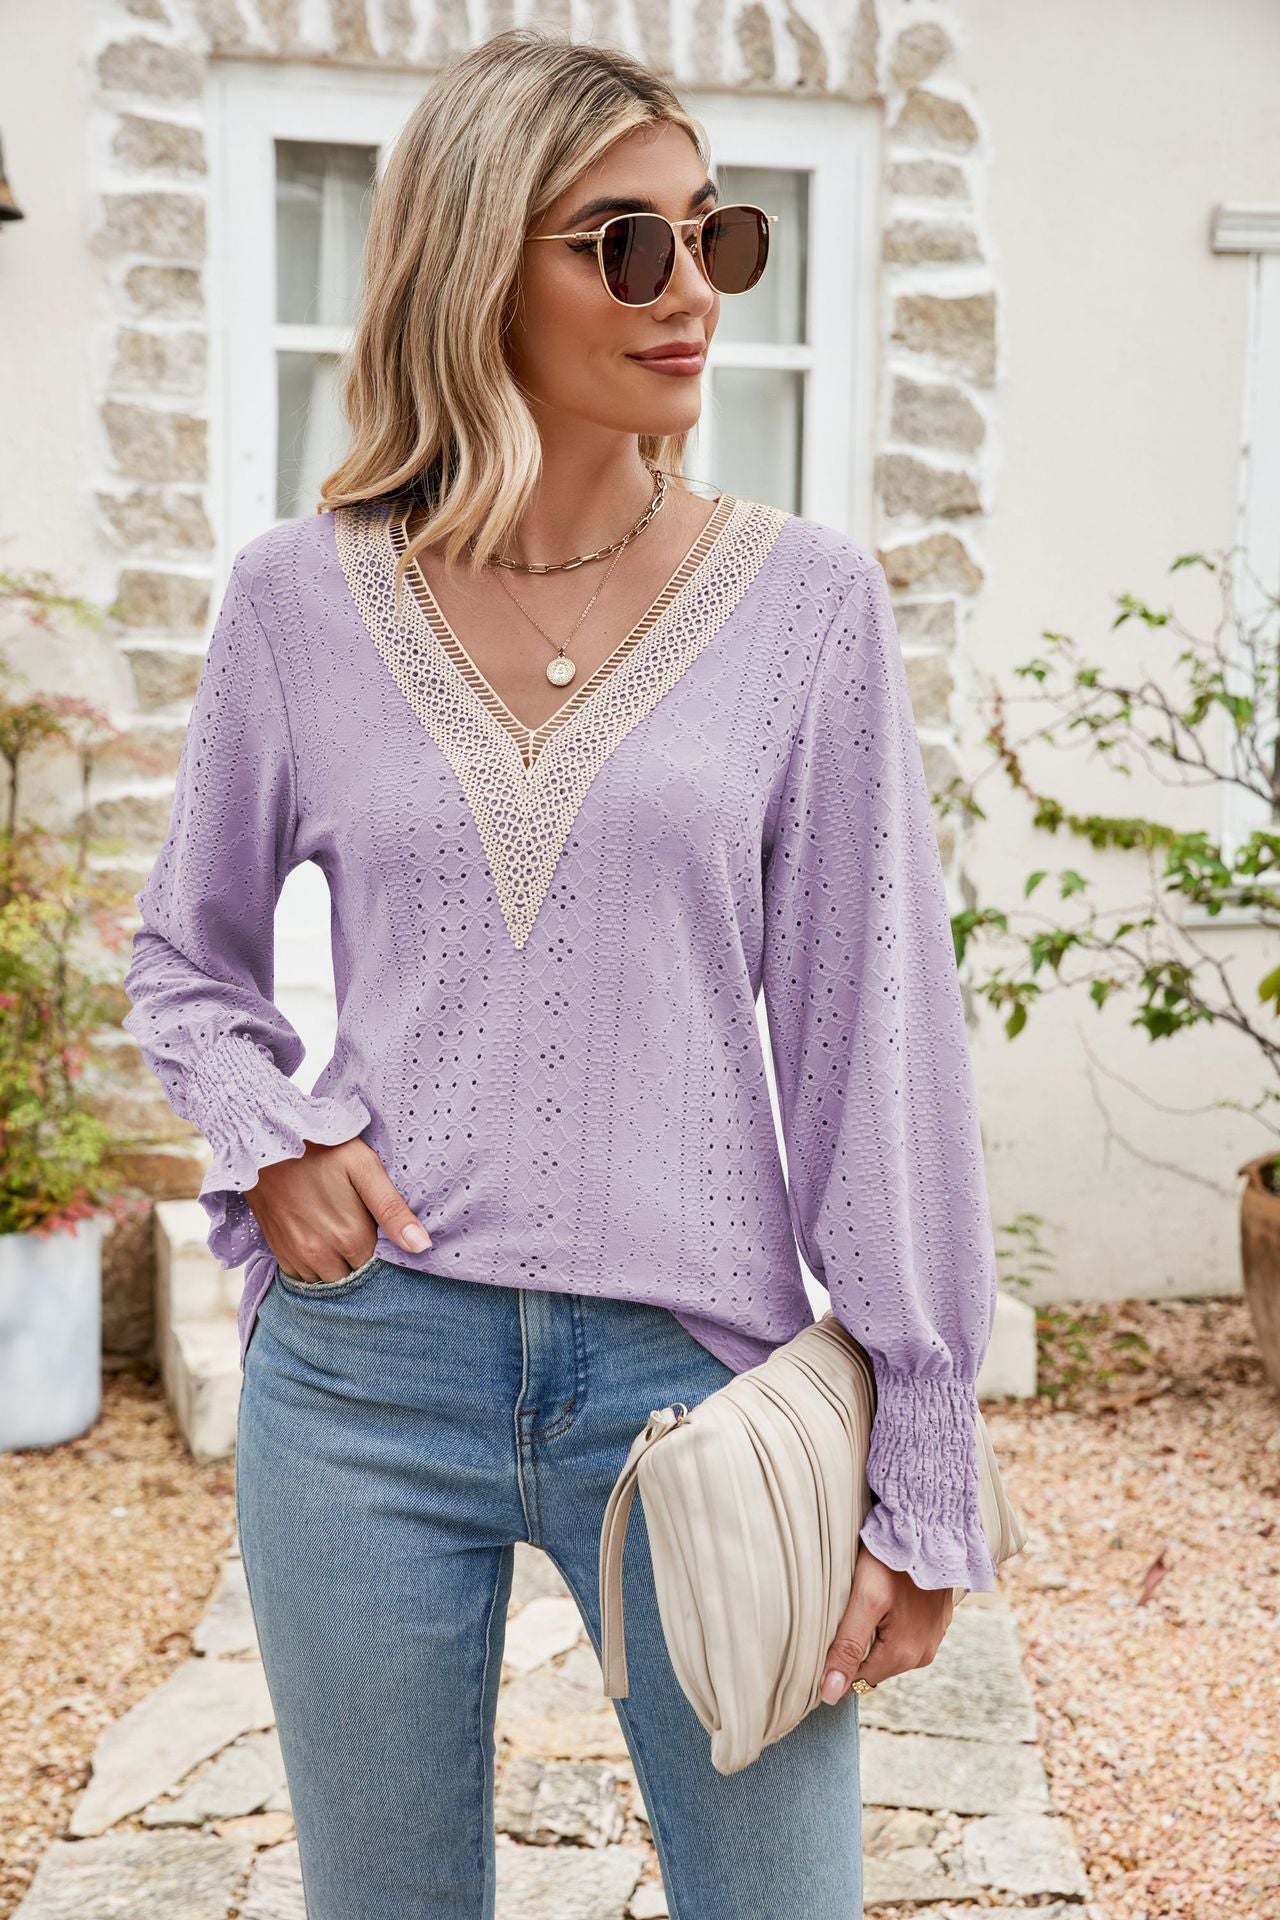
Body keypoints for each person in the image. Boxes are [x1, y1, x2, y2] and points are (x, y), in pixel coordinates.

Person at [122, 26, 1000, 1920]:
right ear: (473, 267)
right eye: (627, 244)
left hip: (699, 1383)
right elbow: (185, 960)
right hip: (368, 1380)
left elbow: (874, 1051)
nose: (693, 291)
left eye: (716, 235)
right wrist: (275, 1132)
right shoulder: (296, 599)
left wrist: (923, 1455)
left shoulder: (808, 607)